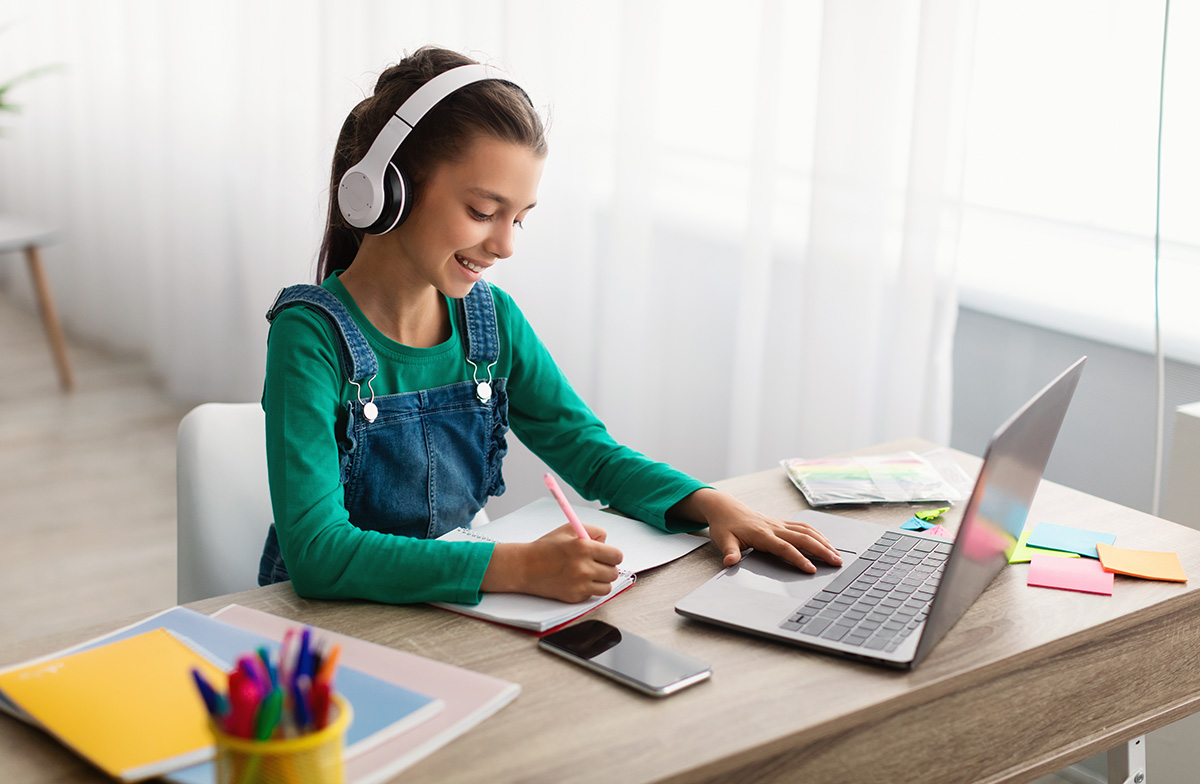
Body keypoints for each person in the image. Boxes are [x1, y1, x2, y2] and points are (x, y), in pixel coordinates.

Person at [257, 46, 841, 605]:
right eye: (483, 212)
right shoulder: (310, 337)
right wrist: (518, 566)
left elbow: (591, 454)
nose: (505, 245)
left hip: (453, 611)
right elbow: (317, 553)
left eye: (519, 219)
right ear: (386, 191)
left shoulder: (492, 321)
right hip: (332, 629)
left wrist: (710, 502)